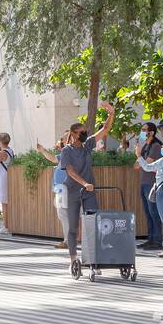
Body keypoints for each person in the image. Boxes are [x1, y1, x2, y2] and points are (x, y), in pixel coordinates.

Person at [59, 101, 116, 270]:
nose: (85, 133)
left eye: (86, 131)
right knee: (73, 228)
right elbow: (69, 170)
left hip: (88, 192)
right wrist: (84, 183)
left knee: (93, 223)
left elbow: (105, 130)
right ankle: (73, 260)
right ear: (74, 134)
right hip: (72, 191)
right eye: (82, 132)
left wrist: (111, 113)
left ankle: (93, 258)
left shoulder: (88, 145)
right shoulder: (66, 151)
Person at [134, 122, 163, 250]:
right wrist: (140, 158)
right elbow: (136, 166)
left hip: (152, 184)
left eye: (144, 130)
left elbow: (147, 165)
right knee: (148, 213)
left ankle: (157, 241)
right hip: (144, 183)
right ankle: (150, 239)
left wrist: (139, 156)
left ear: (151, 132)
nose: (142, 132)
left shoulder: (156, 146)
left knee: (154, 212)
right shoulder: (145, 146)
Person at [36, 136, 68, 248]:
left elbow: (53, 159)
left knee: (64, 214)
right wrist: (42, 150)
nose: (59, 141)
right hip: (61, 188)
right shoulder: (65, 154)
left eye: (62, 139)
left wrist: (43, 150)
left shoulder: (68, 154)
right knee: (64, 215)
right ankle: (68, 240)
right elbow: (53, 158)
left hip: (65, 189)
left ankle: (68, 241)